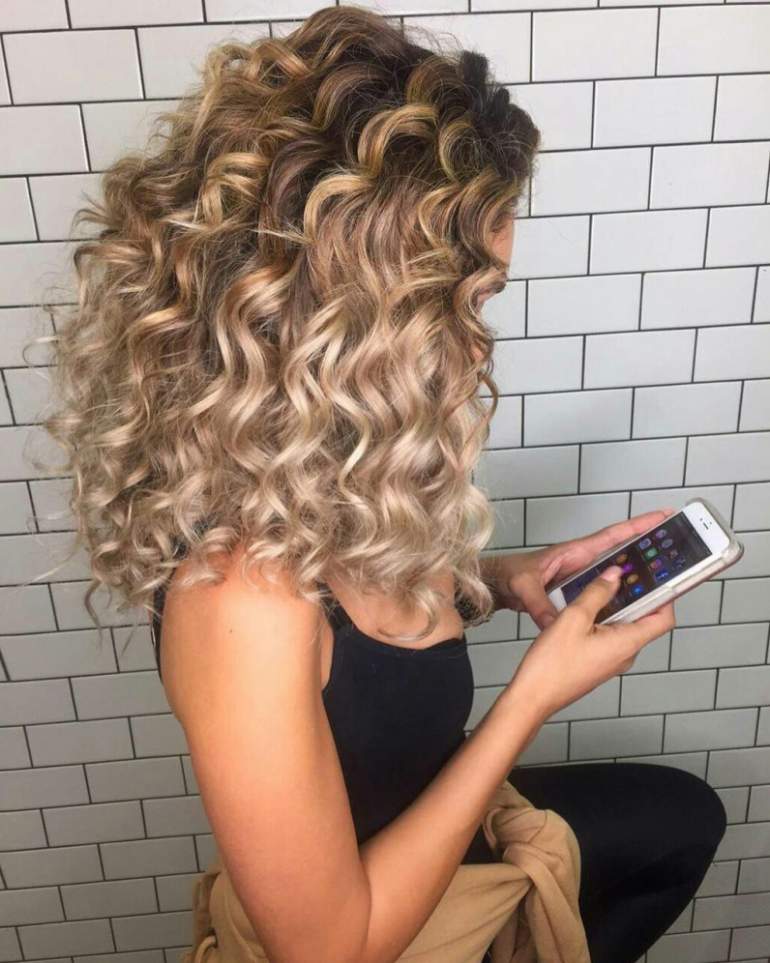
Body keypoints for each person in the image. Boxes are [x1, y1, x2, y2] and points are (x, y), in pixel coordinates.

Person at [37, 5, 726, 961]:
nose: (480, 346)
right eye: (466, 305)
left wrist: (510, 580)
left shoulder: (324, 464)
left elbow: (363, 652)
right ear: (351, 320)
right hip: (369, 927)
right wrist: (533, 697)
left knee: (682, 820)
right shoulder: (240, 600)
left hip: (446, 836)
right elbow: (331, 948)